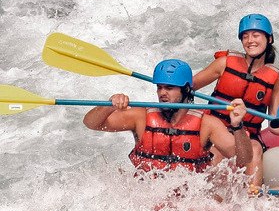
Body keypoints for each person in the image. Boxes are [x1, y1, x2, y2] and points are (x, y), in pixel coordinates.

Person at [83, 59, 238, 174]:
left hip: (187, 201)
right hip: (147, 195)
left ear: (185, 90)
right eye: (160, 87)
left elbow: (242, 159)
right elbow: (91, 123)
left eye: (169, 88)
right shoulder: (141, 116)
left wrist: (238, 126)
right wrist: (109, 105)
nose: (162, 93)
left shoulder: (208, 124)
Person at [193, 13, 279, 184]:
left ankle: (252, 200)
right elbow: (190, 86)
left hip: (247, 134)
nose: (250, 40)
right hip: (215, 130)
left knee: (256, 148)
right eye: (245, 36)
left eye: (256, 35)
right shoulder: (224, 63)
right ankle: (208, 197)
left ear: (269, 39)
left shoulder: (275, 80)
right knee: (220, 149)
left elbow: (274, 122)